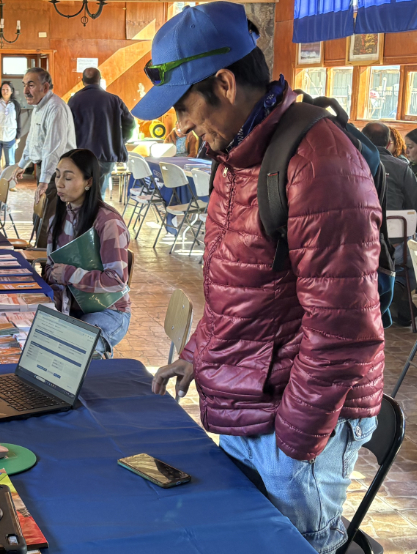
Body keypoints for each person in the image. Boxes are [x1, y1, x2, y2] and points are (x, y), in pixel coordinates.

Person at [136, 4, 383, 553]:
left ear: (224, 82)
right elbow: (241, 294)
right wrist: (199, 353)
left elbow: (343, 330)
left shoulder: (317, 161)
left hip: (291, 421)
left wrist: (294, 443)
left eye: (183, 106)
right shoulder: (240, 153)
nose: (180, 127)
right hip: (251, 406)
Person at [43, 149, 131, 355]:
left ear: (88, 182)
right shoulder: (57, 220)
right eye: (57, 175)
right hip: (68, 307)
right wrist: (53, 275)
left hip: (107, 311)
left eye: (68, 177)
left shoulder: (108, 222)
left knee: (71, 351)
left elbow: (117, 280)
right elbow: (49, 269)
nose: (60, 183)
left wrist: (68, 274)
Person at [362, 122, 417, 326]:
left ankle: (394, 288)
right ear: (389, 143)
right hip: (395, 246)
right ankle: (397, 287)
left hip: (360, 244)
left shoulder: (351, 163)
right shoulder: (400, 166)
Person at [18, 67, 76, 247]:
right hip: (47, 169)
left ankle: (45, 265)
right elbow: (33, 141)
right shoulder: (39, 106)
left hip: (58, 170)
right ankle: (41, 256)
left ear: (45, 87)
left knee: (47, 220)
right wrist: (22, 165)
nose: (26, 91)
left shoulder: (55, 108)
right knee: (40, 216)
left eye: (31, 85)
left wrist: (45, 180)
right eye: (24, 85)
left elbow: (53, 148)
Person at [67, 68, 135, 196]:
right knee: (99, 195)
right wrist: (119, 141)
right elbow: (130, 124)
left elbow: (66, 128)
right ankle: (97, 215)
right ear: (100, 80)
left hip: (82, 156)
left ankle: (85, 216)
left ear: (82, 81)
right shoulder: (114, 100)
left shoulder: (74, 100)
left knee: (83, 195)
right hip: (107, 154)